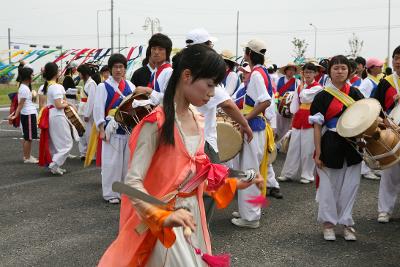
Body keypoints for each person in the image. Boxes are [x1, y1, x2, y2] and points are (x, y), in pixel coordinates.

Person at [98, 44, 264, 267]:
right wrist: (161, 215)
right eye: (210, 84)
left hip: (191, 216)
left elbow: (200, 173)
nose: (212, 93)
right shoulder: (155, 123)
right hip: (165, 223)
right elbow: (131, 183)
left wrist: (236, 180)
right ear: (187, 76)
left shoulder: (197, 118)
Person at [309, 55, 364, 241]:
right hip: (330, 143)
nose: (340, 71)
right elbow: (317, 127)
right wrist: (318, 152)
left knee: (351, 186)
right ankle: (328, 224)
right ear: (329, 71)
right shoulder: (322, 96)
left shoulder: (356, 93)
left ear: (349, 71)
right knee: (328, 188)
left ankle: (347, 223)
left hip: (353, 144)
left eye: (343, 68)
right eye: (336, 68)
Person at [231, 39, 271, 229]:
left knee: (249, 171)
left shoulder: (256, 74)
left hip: (253, 128)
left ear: (248, 53)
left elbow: (265, 102)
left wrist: (245, 119)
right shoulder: (262, 72)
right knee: (249, 170)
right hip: (256, 126)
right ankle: (247, 210)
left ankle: (251, 217)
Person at [93, 54, 136, 204]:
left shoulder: (131, 86)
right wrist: (101, 129)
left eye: (121, 67)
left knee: (126, 163)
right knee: (111, 163)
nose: (118, 70)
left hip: (128, 129)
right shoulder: (102, 87)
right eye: (115, 67)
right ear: (110, 69)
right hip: (111, 129)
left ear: (125, 69)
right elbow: (98, 109)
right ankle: (111, 193)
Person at [278, 63, 323, 184]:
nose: (307, 74)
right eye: (306, 72)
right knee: (293, 147)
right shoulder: (300, 86)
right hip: (299, 117)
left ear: (315, 74)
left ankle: (307, 175)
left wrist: (301, 85)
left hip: (310, 117)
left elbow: (304, 98)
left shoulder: (318, 87)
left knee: (308, 149)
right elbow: (295, 104)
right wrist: (293, 117)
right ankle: (288, 173)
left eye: (310, 72)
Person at [373, 45, 400, 223]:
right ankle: (384, 210)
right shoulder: (385, 82)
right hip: (392, 130)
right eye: (396, 58)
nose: (398, 62)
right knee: (390, 171)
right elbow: (375, 107)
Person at [38, 62, 73, 175]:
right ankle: (54, 163)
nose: (59, 72)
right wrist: (69, 105)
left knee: (55, 142)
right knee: (67, 143)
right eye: (58, 70)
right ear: (55, 73)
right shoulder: (57, 86)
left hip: (51, 115)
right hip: (57, 115)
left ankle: (55, 166)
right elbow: (59, 104)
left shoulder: (47, 86)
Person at [8, 66, 39, 164]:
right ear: (27, 76)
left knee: (27, 137)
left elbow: (21, 104)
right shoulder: (24, 89)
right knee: (28, 138)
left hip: (28, 113)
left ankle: (27, 156)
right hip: (28, 114)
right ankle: (27, 157)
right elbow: (20, 105)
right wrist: (15, 115)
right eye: (31, 74)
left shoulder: (24, 87)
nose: (33, 76)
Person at [134, 33, 173, 105]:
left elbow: (170, 99)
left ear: (167, 52)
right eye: (154, 48)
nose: (156, 52)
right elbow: (154, 100)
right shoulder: (156, 71)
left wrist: (147, 90)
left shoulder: (169, 72)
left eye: (160, 49)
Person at [76, 64, 98, 160]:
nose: (79, 75)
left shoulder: (91, 83)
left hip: (87, 111)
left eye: (80, 73)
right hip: (83, 109)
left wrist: (87, 114)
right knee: (82, 132)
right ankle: (84, 153)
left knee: (89, 133)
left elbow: (91, 100)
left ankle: (91, 154)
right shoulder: (86, 83)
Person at [276, 62, 300, 140]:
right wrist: (276, 102)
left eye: (293, 70)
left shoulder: (297, 82)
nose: (291, 71)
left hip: (290, 107)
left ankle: (284, 143)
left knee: (288, 125)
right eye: (289, 69)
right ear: (286, 71)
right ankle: (277, 143)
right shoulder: (278, 80)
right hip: (279, 106)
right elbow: (275, 93)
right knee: (279, 125)